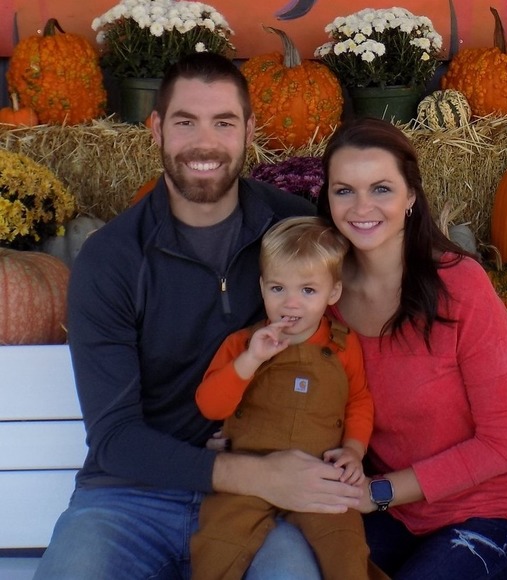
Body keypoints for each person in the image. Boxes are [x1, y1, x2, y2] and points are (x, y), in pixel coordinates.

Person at [33, 53, 362, 580]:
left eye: (223, 123)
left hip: (261, 503)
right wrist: (249, 473)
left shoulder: (292, 230)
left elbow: (378, 296)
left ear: (249, 131)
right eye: (186, 122)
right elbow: (115, 438)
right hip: (132, 497)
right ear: (157, 128)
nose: (204, 143)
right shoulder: (112, 258)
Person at [316, 117, 507, 579]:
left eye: (381, 188)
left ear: (411, 195)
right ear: (327, 198)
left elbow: (504, 442)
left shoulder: (459, 283)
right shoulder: (323, 296)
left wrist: (379, 492)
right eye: (344, 190)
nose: (362, 206)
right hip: (399, 517)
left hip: (499, 516)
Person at [191, 216, 388, 580]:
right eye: (278, 288)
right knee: (217, 547)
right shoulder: (241, 344)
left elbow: (359, 402)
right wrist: (251, 360)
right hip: (247, 476)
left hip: (320, 476)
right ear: (262, 287)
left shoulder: (344, 345)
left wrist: (353, 450)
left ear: (333, 293)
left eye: (308, 291)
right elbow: (210, 406)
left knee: (346, 549)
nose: (290, 303)